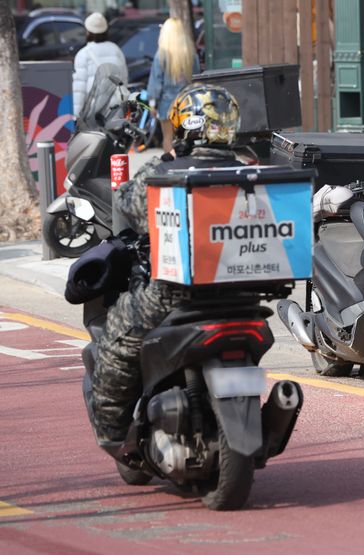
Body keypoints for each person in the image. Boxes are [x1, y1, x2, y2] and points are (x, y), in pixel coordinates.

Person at [91, 84, 242, 445]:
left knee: (116, 339)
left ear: (184, 126)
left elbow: (127, 203)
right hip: (243, 291)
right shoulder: (249, 171)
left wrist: (165, 159)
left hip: (175, 294)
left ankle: (113, 432)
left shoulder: (169, 172)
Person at [147, 18, 201, 153]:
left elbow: (155, 83)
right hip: (188, 104)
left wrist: (152, 104)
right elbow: (196, 80)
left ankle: (170, 163)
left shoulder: (161, 55)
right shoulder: (191, 54)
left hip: (167, 105)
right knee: (187, 139)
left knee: (168, 139)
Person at [72, 12, 128, 117]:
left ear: (88, 32)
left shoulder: (83, 54)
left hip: (93, 112)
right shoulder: (116, 50)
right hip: (116, 110)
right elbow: (124, 80)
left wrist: (76, 114)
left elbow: (79, 89)